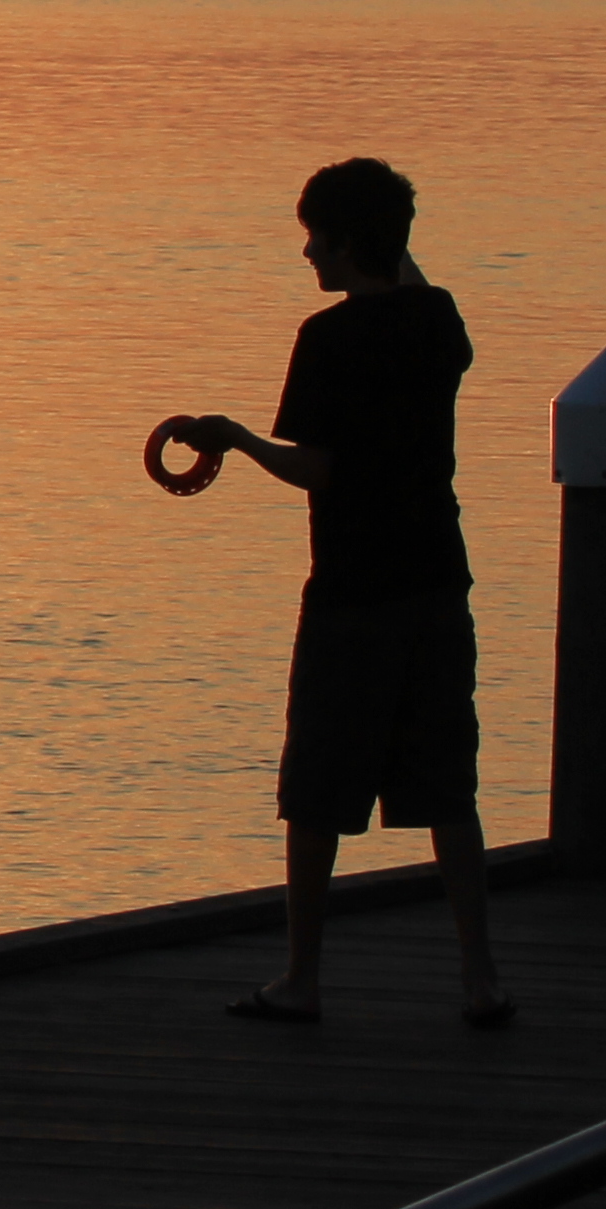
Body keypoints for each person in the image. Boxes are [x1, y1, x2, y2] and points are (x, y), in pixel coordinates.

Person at [166, 158, 515, 1030]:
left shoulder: (326, 340)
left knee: (317, 791)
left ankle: (302, 979)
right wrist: (394, 239)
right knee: (449, 791)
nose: (308, 252)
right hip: (438, 580)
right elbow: (416, 285)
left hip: (353, 593)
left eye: (317, 236)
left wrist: (236, 438)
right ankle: (480, 980)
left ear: (349, 242)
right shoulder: (439, 324)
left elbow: (319, 468)